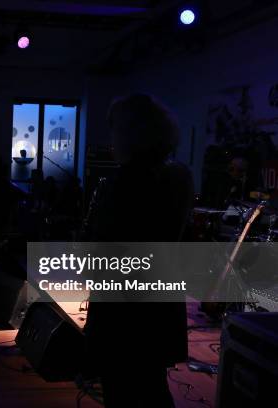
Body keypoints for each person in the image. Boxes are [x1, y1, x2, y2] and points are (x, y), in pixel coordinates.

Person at [82, 94, 193, 407]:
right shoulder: (178, 175)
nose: (111, 140)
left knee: (123, 390)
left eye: (115, 130)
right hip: (158, 306)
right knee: (152, 388)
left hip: (125, 315)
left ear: (132, 133)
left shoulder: (123, 183)